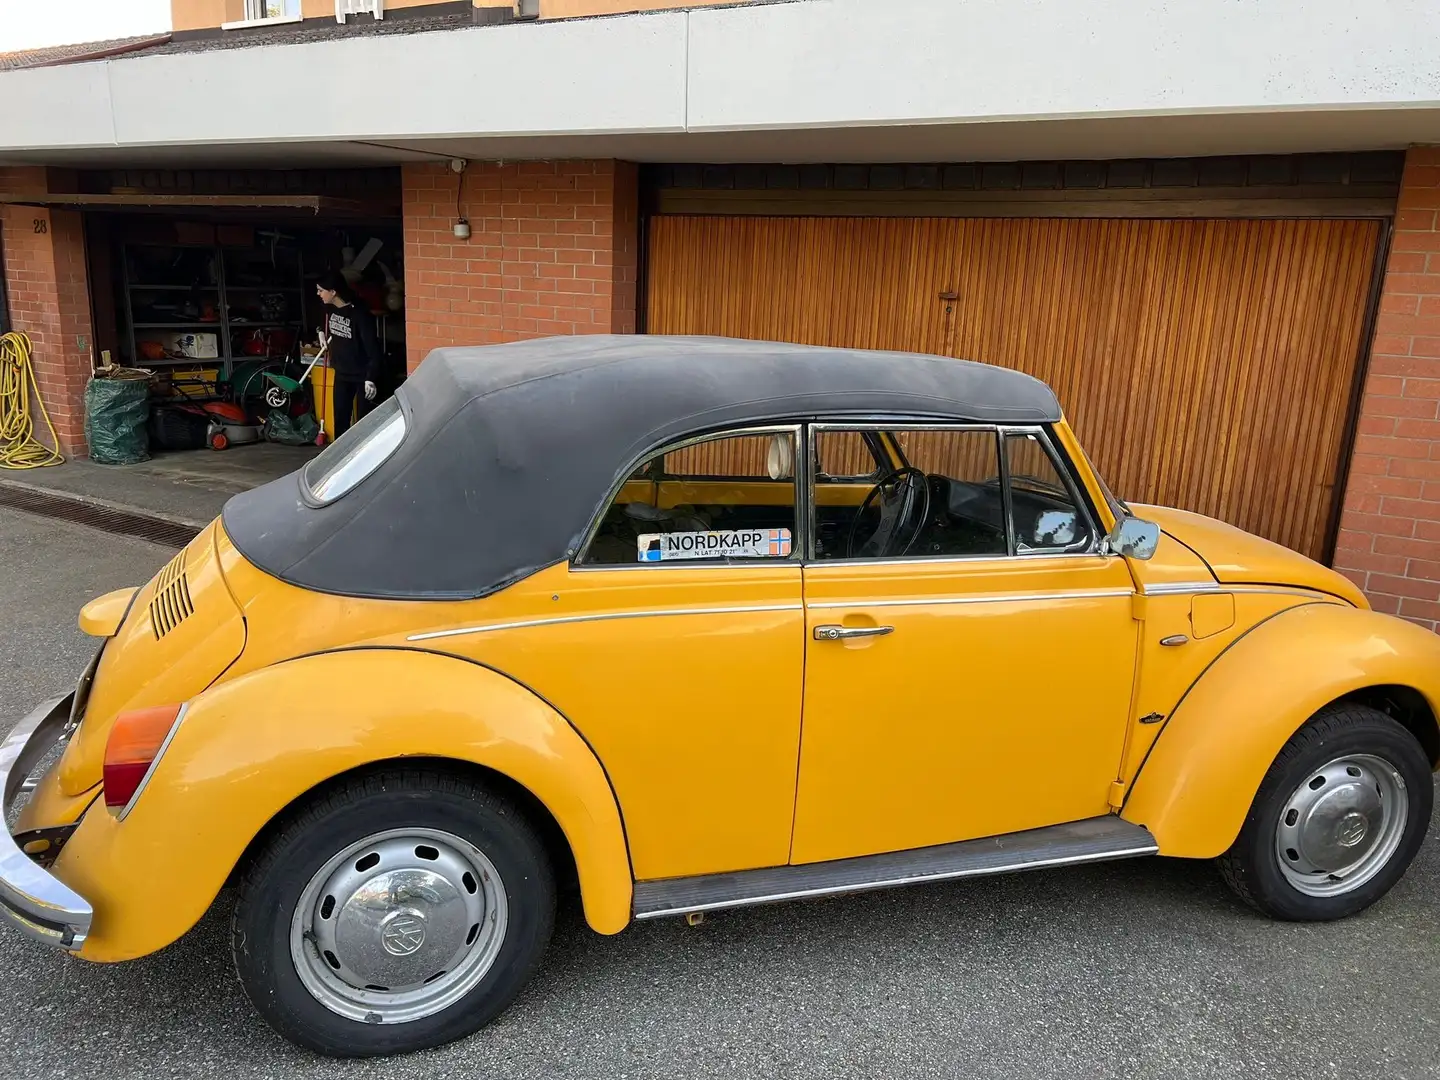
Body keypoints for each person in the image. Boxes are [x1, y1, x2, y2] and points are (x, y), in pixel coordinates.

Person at [315, 272, 383, 439]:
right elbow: (320, 320)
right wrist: (320, 333)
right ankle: (340, 457)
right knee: (340, 418)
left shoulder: (359, 314)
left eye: (321, 290)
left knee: (363, 421)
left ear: (333, 292)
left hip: (361, 375)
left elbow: (373, 348)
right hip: (341, 372)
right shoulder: (329, 307)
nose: (318, 294)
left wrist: (371, 377)